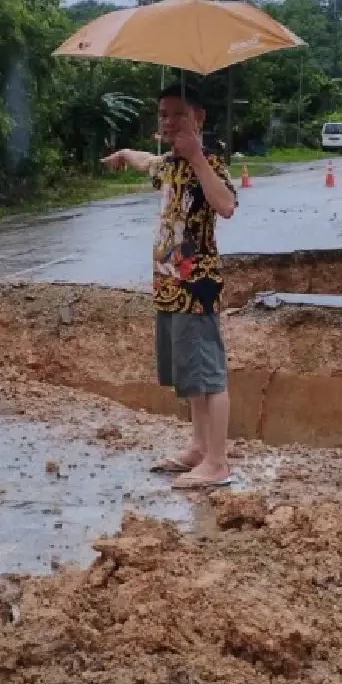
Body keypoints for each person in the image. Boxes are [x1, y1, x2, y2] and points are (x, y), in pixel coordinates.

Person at [102, 84, 237, 490]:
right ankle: (198, 447)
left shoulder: (209, 162)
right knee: (189, 372)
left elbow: (226, 205)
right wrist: (125, 154)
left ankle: (217, 462)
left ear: (199, 118)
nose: (169, 121)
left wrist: (196, 156)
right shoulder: (168, 165)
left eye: (179, 114)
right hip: (169, 285)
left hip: (197, 285)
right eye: (163, 114)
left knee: (209, 374)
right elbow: (147, 161)